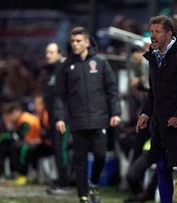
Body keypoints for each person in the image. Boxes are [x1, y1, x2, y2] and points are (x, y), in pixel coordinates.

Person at [135, 15, 177, 203]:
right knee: (162, 171)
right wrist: (145, 113)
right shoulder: (153, 58)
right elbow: (153, 94)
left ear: (168, 34)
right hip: (160, 127)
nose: (153, 36)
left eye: (157, 32)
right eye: (151, 32)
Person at [54, 27, 121, 203]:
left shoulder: (100, 62)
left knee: (100, 155)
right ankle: (83, 195)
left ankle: (94, 183)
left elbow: (112, 90)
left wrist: (115, 112)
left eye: (78, 41)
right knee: (80, 160)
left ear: (87, 42)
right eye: (72, 42)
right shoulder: (66, 66)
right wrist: (60, 117)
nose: (75, 45)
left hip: (100, 118)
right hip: (77, 120)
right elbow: (60, 95)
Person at [40, 42, 71, 195]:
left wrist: (62, 117)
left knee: (61, 150)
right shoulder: (50, 71)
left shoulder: (64, 69)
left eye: (51, 52)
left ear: (60, 53)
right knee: (57, 150)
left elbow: (66, 96)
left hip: (63, 118)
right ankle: (61, 179)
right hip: (52, 118)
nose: (48, 55)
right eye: (47, 52)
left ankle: (64, 182)